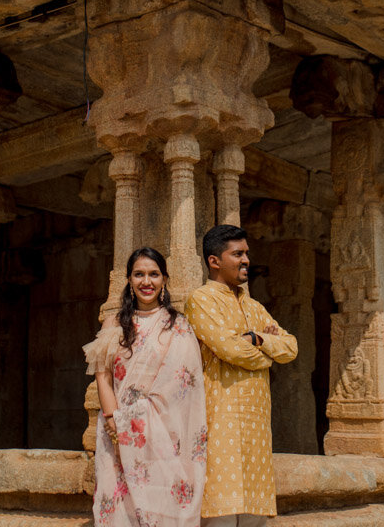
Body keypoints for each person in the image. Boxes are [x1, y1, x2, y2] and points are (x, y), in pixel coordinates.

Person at [83, 247, 207, 527]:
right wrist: (115, 420)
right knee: (120, 505)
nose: (146, 281)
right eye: (139, 274)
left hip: (164, 434)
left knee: (163, 502)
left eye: (154, 274)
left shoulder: (179, 327)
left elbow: (185, 386)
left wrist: (144, 418)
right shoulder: (114, 323)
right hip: (119, 429)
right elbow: (103, 377)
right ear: (129, 280)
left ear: (164, 279)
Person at [184, 225, 297, 527]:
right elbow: (230, 349)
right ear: (214, 261)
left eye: (246, 253)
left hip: (257, 424)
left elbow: (291, 347)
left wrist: (257, 339)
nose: (246, 259)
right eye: (238, 254)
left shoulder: (255, 306)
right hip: (221, 417)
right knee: (220, 509)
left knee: (255, 516)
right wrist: (266, 354)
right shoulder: (201, 300)